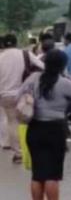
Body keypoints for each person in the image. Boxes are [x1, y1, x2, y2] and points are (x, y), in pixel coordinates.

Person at [20, 49, 71, 200]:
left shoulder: (34, 78)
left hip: (34, 128)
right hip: (55, 130)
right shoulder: (63, 82)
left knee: (37, 174)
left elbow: (19, 94)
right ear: (63, 65)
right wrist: (68, 77)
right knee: (52, 175)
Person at [0, 34, 44, 163]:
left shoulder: (1, 57)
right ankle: (31, 149)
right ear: (16, 42)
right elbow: (42, 66)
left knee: (12, 121)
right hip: (24, 94)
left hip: (5, 95)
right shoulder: (25, 54)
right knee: (27, 121)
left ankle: (18, 153)